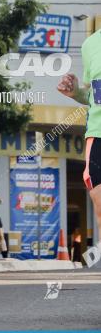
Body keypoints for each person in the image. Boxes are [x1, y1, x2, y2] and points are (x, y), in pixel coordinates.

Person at [57, 27, 101, 263]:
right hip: (98, 133)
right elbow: (94, 95)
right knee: (99, 201)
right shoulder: (90, 44)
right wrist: (75, 93)